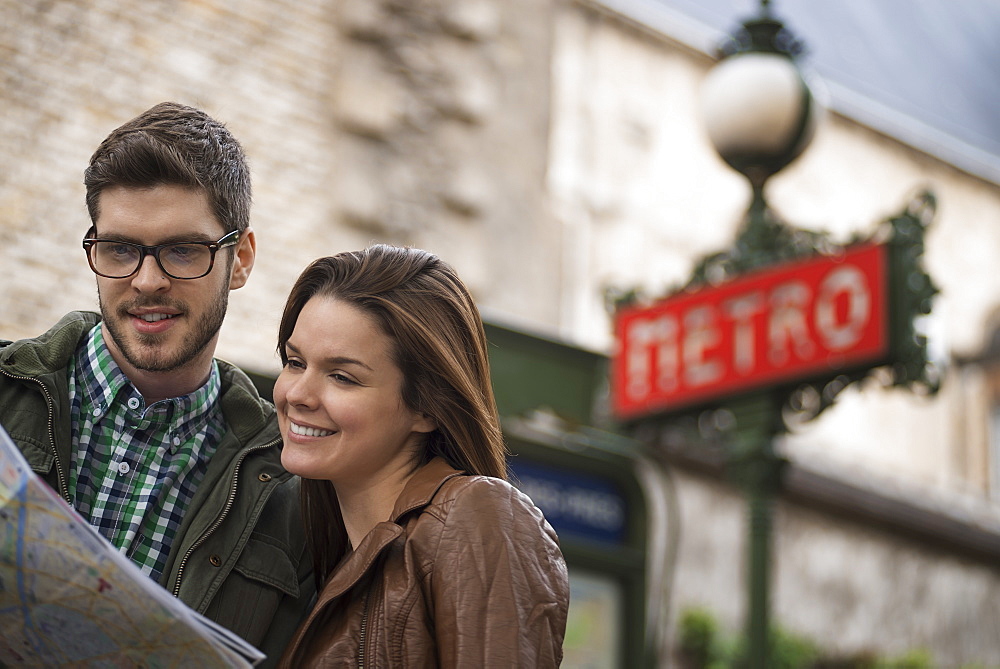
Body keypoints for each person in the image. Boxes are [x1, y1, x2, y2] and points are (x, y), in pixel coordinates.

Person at [0, 102, 313, 665]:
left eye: (182, 250)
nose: (147, 281)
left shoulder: (294, 492)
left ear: (239, 259)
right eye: (119, 249)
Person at [273, 244, 570, 667]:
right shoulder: (324, 563)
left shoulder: (478, 516)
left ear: (427, 407)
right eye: (295, 362)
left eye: (342, 377)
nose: (297, 395)